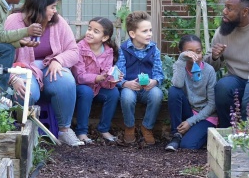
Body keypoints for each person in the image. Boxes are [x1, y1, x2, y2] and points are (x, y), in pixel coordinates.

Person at [4, 0, 83, 146]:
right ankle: (25, 132)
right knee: (27, 92)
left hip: (48, 67)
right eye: (52, 7)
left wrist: (58, 60)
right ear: (39, 6)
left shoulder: (57, 22)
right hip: (22, 68)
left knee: (66, 81)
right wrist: (12, 78)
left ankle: (65, 131)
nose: (55, 11)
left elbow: (74, 51)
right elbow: (0, 55)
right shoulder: (14, 21)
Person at [204, 0, 249, 128]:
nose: (224, 12)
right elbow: (210, 66)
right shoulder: (222, 32)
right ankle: (227, 131)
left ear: (245, 11)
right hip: (236, 79)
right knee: (223, 87)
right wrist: (214, 56)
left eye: (229, 9)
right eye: (225, 7)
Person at [115, 11, 164, 145]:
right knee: (127, 97)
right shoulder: (123, 50)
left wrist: (154, 81)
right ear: (132, 34)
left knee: (157, 94)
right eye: (144, 31)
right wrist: (126, 84)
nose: (149, 34)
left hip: (147, 89)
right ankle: (129, 127)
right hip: (130, 87)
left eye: (150, 30)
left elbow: (159, 74)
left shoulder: (154, 50)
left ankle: (147, 127)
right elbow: (118, 75)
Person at [71, 17, 122, 144]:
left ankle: (104, 129)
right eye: (89, 29)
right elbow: (80, 76)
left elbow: (106, 76)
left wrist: (112, 79)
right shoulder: (79, 48)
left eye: (95, 31)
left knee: (114, 92)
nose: (89, 32)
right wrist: (97, 78)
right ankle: (81, 131)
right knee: (86, 91)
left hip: (97, 87)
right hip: (79, 87)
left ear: (104, 38)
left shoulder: (108, 52)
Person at [165, 34, 217, 151]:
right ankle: (176, 135)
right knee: (174, 91)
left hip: (205, 116)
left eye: (198, 52)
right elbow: (177, 85)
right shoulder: (179, 66)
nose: (196, 56)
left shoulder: (209, 71)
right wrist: (182, 60)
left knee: (187, 146)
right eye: (190, 52)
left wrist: (190, 122)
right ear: (182, 53)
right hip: (188, 110)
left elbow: (212, 105)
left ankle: (195, 135)